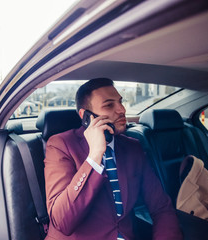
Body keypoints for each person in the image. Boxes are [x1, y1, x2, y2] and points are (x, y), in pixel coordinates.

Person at [44, 78, 183, 239]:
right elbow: (62, 221)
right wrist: (94, 156)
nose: (122, 109)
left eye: (120, 102)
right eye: (109, 105)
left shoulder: (132, 147)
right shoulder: (61, 145)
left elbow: (161, 207)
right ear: (85, 116)